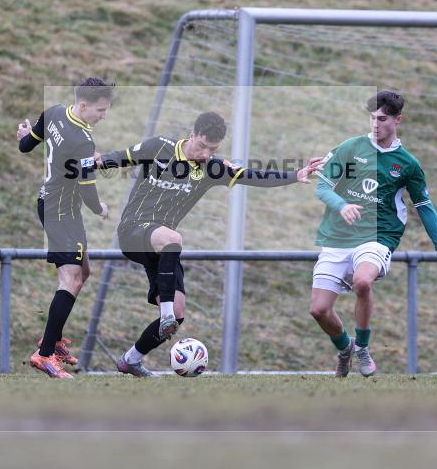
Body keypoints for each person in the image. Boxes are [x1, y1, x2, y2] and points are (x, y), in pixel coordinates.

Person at [97, 111, 323, 377]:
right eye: (201, 146)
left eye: (212, 149)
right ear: (191, 135)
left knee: (178, 312)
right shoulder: (159, 147)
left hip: (161, 246)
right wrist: (86, 164)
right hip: (132, 231)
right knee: (173, 241)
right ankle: (165, 313)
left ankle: (130, 360)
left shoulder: (212, 168)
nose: (205, 153)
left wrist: (295, 175)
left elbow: (253, 176)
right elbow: (119, 157)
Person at [310, 90, 437, 377]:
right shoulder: (351, 148)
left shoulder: (408, 164)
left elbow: (424, 207)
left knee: (363, 282)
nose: (375, 124)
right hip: (339, 238)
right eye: (372, 118)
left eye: (382, 119)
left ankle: (363, 348)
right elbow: (322, 187)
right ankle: (345, 348)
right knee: (318, 310)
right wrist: (341, 206)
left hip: (378, 237)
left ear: (397, 120)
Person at [16, 77, 113, 378]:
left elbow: (25, 144)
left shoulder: (55, 112)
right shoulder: (83, 141)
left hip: (57, 205)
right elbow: (86, 190)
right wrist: (100, 209)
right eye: (100, 110)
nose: (103, 116)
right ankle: (44, 354)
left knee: (83, 273)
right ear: (83, 105)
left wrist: (23, 134)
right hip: (61, 210)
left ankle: (53, 340)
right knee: (70, 278)